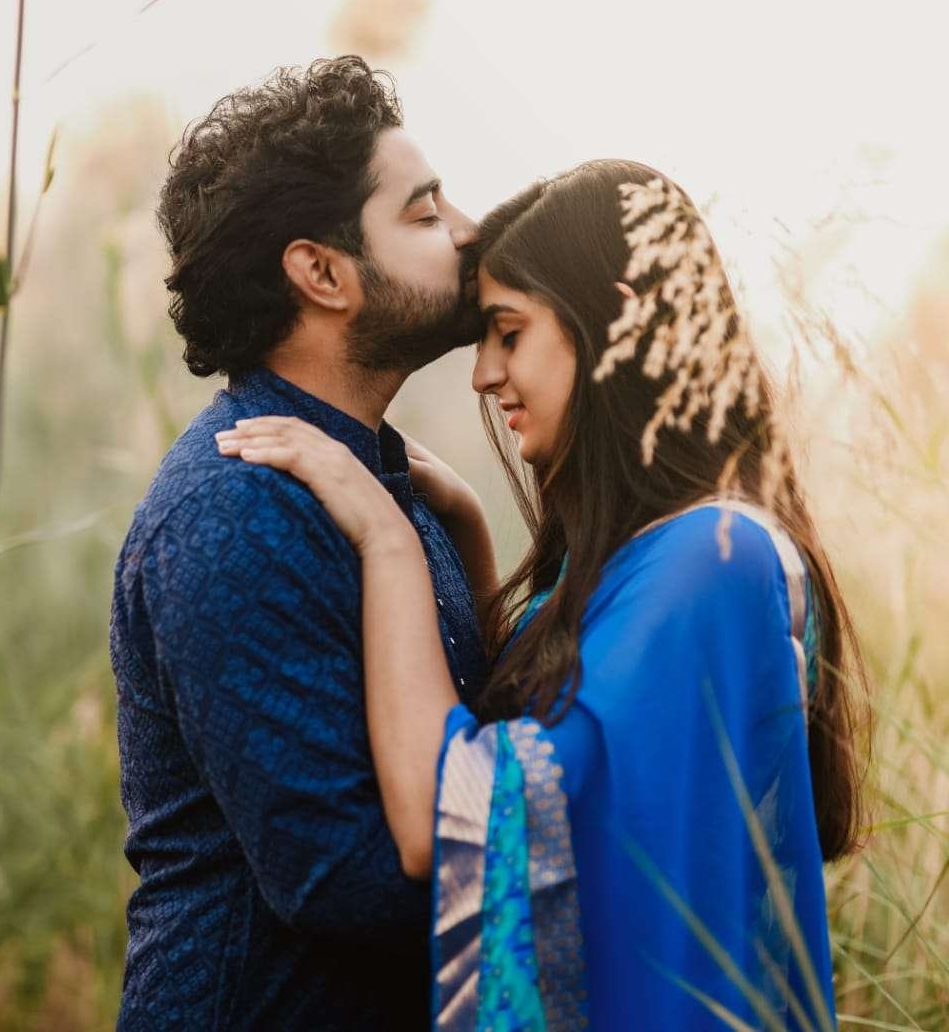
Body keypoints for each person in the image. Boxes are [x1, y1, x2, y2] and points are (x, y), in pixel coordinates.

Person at [217, 159, 869, 1029]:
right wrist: (467, 532)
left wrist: (387, 540)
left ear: (614, 326)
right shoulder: (654, 556)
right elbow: (561, 732)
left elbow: (459, 816)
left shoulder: (715, 565)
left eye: (508, 332)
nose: (484, 374)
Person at [108, 56, 490, 1028]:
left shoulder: (374, 482)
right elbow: (346, 880)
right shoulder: (237, 511)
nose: (468, 231)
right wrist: (595, 864)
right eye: (424, 213)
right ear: (321, 273)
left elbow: (462, 729)